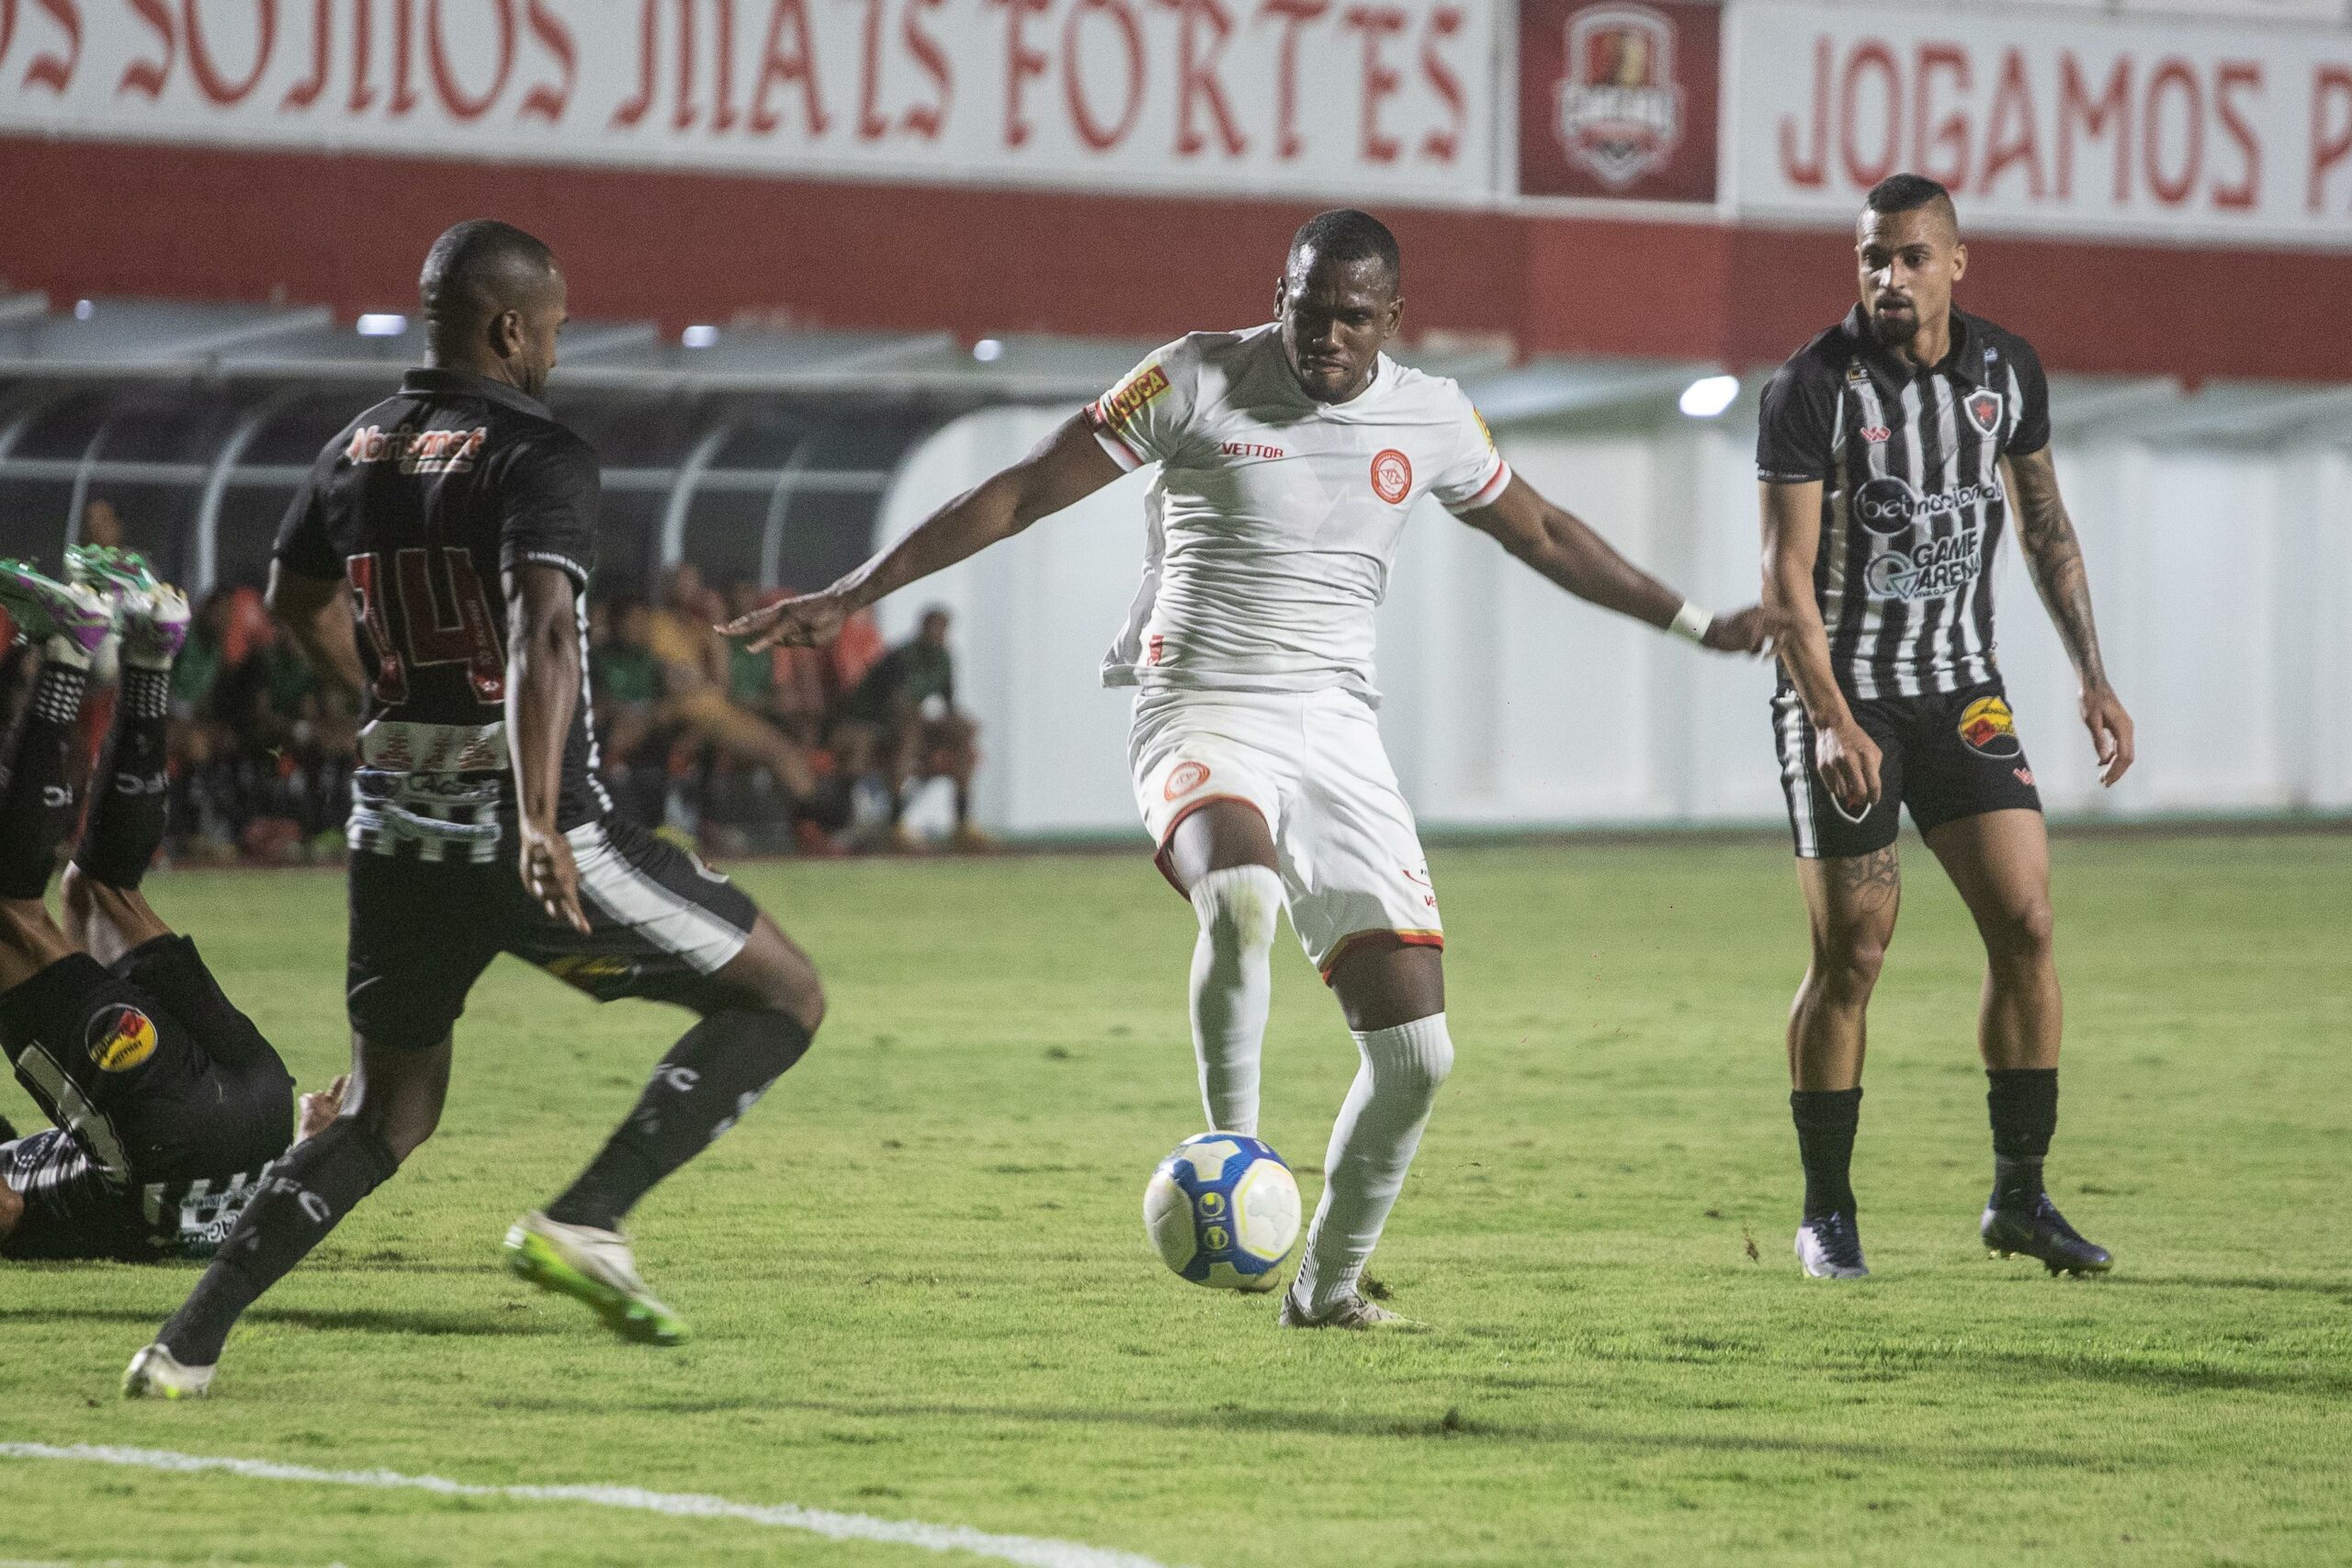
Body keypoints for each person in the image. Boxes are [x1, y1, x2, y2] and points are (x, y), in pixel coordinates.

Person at [729, 209, 1777, 1330]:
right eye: (1306, 310)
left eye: (1351, 320)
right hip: (1198, 708)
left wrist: (1696, 623)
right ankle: (1228, 1151)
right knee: (1239, 894)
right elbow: (1025, 488)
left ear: (1392, 320)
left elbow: (1548, 533)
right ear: (1277, 293)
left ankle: (1326, 1293)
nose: (1324, 338)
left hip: (1336, 732)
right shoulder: (1190, 378)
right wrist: (853, 594)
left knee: (1419, 1056)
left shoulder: (1428, 415)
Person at [124, 219, 828, 1400]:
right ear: (509, 328)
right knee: (784, 995)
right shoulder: (536, 453)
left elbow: (295, 603)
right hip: (528, 826)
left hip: (394, 829)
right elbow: (542, 630)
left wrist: (393, 695)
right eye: (550, 327)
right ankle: (588, 1220)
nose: (555, 346)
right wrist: (545, 817)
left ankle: (182, 1346)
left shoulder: (355, 448)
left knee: (383, 1118)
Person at [1756, 175, 2133, 1281]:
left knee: (2025, 924)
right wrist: (1827, 717)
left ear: (1955, 263)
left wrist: (2091, 676)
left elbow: (2044, 527)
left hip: (1963, 690)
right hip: (1846, 698)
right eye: (1872, 256)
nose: (1888, 277)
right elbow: (1783, 573)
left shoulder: (2006, 370)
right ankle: (1827, 1213)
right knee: (1853, 954)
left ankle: (2019, 1198)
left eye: (1911, 256)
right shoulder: (1812, 386)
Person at [0, 549, 338, 1265]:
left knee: (94, 891)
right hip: (175, 1135)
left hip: (256, 1119)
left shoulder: (44, 1160)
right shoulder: (32, 1180)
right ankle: (72, 651)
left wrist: (308, 1142)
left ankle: (148, 652)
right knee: (14, 909)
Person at [832, 606, 983, 851]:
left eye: (943, 628)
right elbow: (897, 707)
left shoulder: (944, 658)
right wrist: (926, 721)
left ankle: (964, 822)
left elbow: (947, 704)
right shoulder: (900, 657)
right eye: (933, 627)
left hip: (913, 720)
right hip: (874, 721)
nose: (938, 634)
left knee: (961, 734)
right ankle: (896, 822)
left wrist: (957, 722)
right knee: (909, 735)